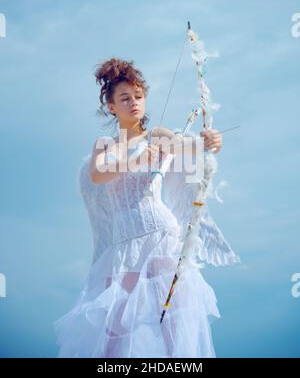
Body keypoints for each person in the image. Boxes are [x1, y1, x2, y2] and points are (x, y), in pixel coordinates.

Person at [54, 58, 240, 358]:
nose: (134, 103)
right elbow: (97, 174)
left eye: (138, 96)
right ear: (111, 107)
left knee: (173, 318)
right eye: (125, 98)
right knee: (117, 324)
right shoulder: (105, 144)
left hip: (161, 234)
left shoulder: (158, 136)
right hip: (123, 245)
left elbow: (190, 147)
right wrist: (137, 159)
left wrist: (210, 141)